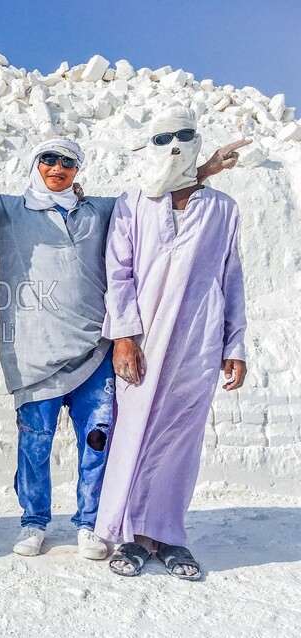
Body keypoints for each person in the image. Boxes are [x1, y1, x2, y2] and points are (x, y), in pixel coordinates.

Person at [0, 130, 246, 561]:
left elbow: (157, 192)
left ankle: (89, 522)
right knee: (34, 443)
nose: (57, 169)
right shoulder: (7, 210)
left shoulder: (104, 210)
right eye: (48, 160)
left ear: (78, 170)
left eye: (67, 162)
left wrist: (203, 168)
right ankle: (33, 521)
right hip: (32, 354)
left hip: (93, 350)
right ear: (35, 165)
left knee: (97, 439)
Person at [96, 106, 247, 580]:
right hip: (143, 340)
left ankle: (170, 536)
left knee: (182, 439)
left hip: (199, 342)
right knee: (134, 433)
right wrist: (123, 336)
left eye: (185, 136)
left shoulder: (223, 209)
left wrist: (234, 346)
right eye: (163, 138)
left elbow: (232, 278)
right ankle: (131, 535)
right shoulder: (134, 202)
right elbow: (117, 274)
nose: (175, 146)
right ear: (149, 146)